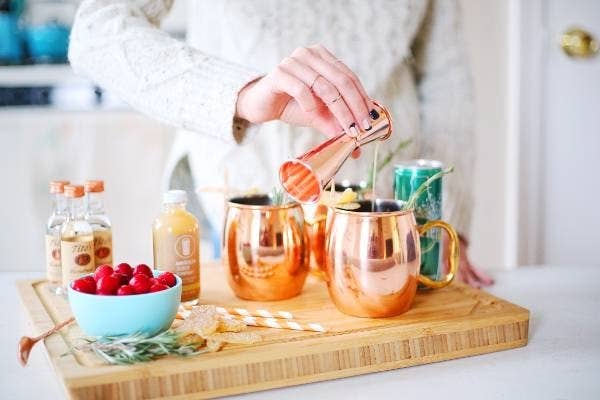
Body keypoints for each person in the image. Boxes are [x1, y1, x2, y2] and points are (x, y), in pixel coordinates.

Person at [68, 0, 493, 287]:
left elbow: (446, 79)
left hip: (386, 217)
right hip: (246, 206)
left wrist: (443, 224)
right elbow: (97, 32)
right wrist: (242, 94)